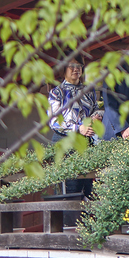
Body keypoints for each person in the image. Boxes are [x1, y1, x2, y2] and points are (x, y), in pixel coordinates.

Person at [47, 57, 99, 196]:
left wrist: (96, 117)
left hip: (87, 141)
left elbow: (96, 108)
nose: (76, 69)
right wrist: (78, 128)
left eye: (79, 65)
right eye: (71, 66)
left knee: (89, 188)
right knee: (70, 189)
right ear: (63, 69)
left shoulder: (89, 90)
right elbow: (54, 121)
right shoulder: (56, 92)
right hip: (65, 141)